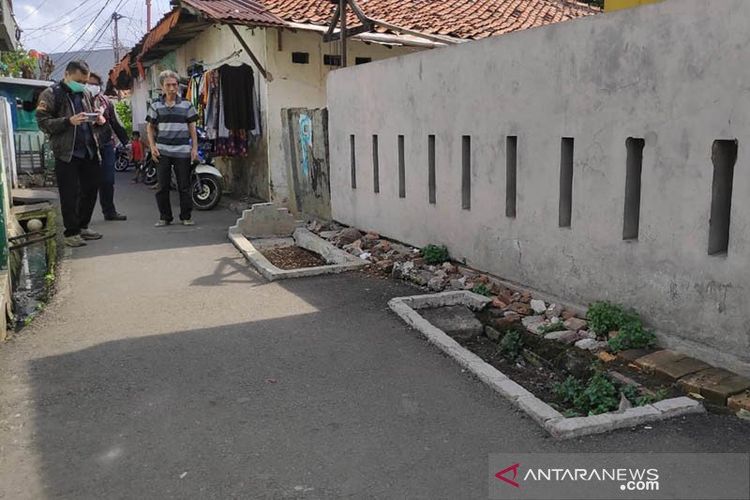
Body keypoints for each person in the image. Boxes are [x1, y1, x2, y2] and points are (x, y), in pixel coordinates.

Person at [36, 60, 103, 248]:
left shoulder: (85, 93)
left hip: (89, 149)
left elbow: (89, 116)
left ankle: (83, 226)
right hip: (66, 152)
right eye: (79, 80)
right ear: (67, 74)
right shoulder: (51, 94)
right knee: (69, 193)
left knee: (91, 189)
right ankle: (71, 232)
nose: (82, 84)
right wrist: (68, 121)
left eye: (85, 81)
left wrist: (96, 117)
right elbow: (42, 122)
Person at [146, 70, 198, 226]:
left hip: (182, 151)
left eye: (174, 85)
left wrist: (194, 148)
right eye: (168, 85)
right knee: (162, 186)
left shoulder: (187, 104)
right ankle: (165, 217)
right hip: (163, 151)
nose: (172, 88)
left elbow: (192, 128)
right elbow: (150, 127)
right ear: (162, 87)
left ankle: (186, 217)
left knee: (184, 186)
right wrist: (152, 146)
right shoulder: (155, 106)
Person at [86, 72, 129, 221]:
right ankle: (83, 218)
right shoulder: (78, 101)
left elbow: (116, 124)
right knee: (88, 183)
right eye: (88, 83)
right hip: (87, 146)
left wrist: (126, 143)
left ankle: (109, 211)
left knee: (108, 180)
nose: (92, 87)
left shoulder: (106, 102)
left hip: (106, 144)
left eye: (95, 84)